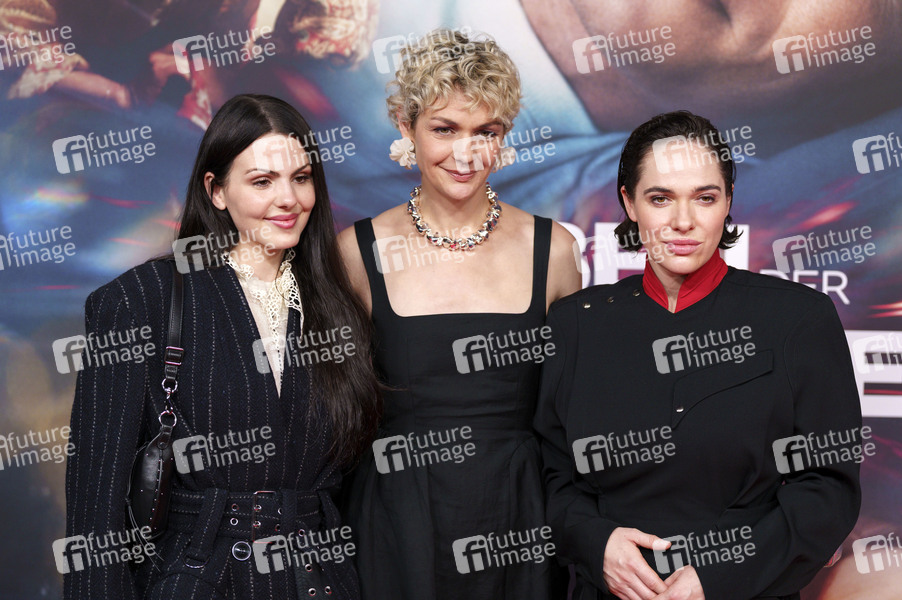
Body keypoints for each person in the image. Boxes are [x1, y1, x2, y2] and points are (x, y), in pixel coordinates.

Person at [534, 111, 862, 600]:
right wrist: (597, 545)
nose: (682, 221)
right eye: (660, 198)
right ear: (629, 203)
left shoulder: (799, 318)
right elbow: (552, 475)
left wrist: (717, 576)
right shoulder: (576, 323)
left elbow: (828, 490)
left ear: (728, 202)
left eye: (704, 197)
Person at [65, 94, 381, 599]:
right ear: (216, 191)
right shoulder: (140, 300)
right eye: (262, 181)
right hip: (197, 580)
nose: (288, 199)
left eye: (301, 178)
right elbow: (95, 505)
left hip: (317, 582)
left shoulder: (339, 305)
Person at [337, 28, 581, 600]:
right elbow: (336, 411)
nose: (465, 153)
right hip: (396, 519)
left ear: (505, 136)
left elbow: (572, 411)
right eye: (445, 129)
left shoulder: (554, 250)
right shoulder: (356, 251)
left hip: (519, 516)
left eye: (485, 132)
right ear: (406, 127)